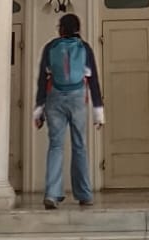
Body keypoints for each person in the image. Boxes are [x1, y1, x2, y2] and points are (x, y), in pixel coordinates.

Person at [33, 13, 104, 210]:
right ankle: (84, 194)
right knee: (79, 145)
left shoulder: (50, 47)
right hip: (78, 99)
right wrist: (98, 111)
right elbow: (93, 80)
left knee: (55, 146)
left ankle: (52, 194)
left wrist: (38, 110)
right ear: (78, 29)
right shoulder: (85, 48)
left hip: (54, 98)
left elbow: (42, 79)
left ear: (61, 29)